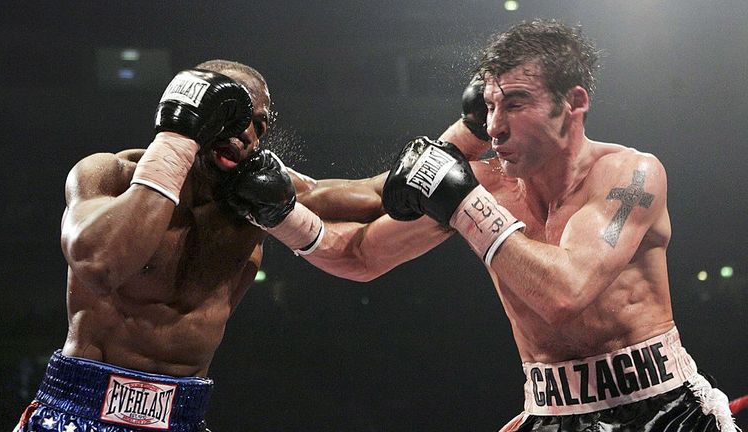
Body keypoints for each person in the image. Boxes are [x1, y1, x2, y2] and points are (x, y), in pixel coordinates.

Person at [273, 20, 738, 431]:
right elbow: (358, 254)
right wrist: (271, 207)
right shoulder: (486, 187)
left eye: (515, 103)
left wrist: (464, 203)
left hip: (663, 412)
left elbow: (565, 291)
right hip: (552, 413)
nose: (495, 126)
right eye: (490, 107)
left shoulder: (632, 175)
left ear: (573, 102)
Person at [13, 59, 385, 432]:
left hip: (184, 416)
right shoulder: (112, 175)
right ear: (199, 110)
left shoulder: (256, 196)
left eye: (259, 124)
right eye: (235, 114)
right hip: (81, 411)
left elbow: (370, 194)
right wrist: (178, 140)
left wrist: (437, 157)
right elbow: (98, 264)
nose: (247, 133)